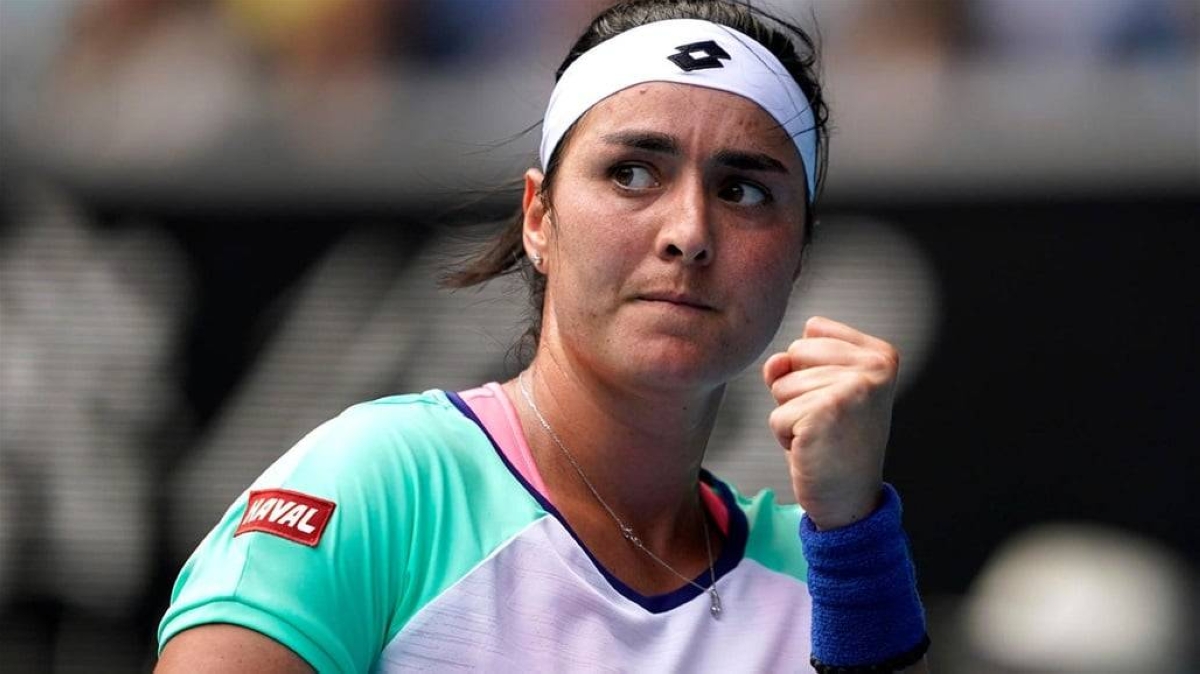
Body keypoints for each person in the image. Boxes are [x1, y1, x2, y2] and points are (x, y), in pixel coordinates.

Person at [156, 1, 930, 671]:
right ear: (538, 219)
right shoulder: (380, 485)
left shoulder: (830, 572)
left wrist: (853, 534)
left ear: (798, 258)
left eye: (743, 190)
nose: (690, 233)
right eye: (632, 174)